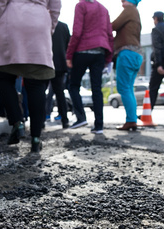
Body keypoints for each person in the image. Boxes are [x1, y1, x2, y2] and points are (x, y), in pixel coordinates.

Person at [0, 0, 61, 153]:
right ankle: (36, 138)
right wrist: (48, 26)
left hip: (11, 21)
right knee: (37, 84)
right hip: (40, 23)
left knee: (4, 77)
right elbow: (55, 7)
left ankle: (17, 121)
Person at [66, 0, 114, 134]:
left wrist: (69, 55)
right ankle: (99, 125)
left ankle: (80, 117)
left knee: (73, 85)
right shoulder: (104, 9)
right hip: (99, 52)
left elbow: (76, 32)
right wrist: (108, 58)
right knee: (96, 88)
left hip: (82, 51)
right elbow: (110, 35)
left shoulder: (81, 5)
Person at [112, 0, 143, 131]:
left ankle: (131, 120)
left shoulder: (129, 10)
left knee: (124, 88)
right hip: (136, 54)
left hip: (127, 54)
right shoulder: (136, 13)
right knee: (129, 89)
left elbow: (113, 25)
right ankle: (132, 119)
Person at [48, 20, 71, 128]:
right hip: (60, 63)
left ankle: (41, 120)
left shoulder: (43, 23)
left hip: (46, 62)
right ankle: (65, 120)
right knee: (59, 93)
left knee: (41, 91)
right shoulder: (63, 26)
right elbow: (68, 45)